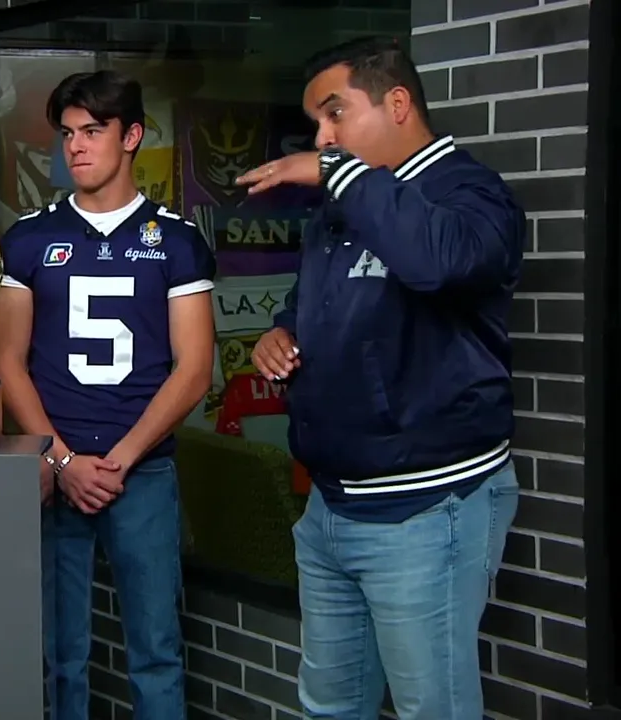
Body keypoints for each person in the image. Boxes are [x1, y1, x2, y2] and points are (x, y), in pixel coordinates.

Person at [238, 37, 524, 719]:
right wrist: (281, 333)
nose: (322, 138)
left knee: (433, 710)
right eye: (316, 124)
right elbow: (318, 304)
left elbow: (435, 262)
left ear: (397, 103)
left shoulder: (471, 194)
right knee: (331, 709)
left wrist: (335, 172)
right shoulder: (343, 204)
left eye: (335, 113)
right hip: (330, 508)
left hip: (426, 510)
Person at [0, 70, 217, 720]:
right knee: (59, 654)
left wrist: (118, 460)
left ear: (132, 136)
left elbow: (194, 369)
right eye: (67, 134)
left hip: (140, 474)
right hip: (54, 471)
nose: (77, 147)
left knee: (156, 651)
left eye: (93, 131)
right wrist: (63, 460)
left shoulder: (176, 240)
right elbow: (7, 359)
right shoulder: (29, 238)